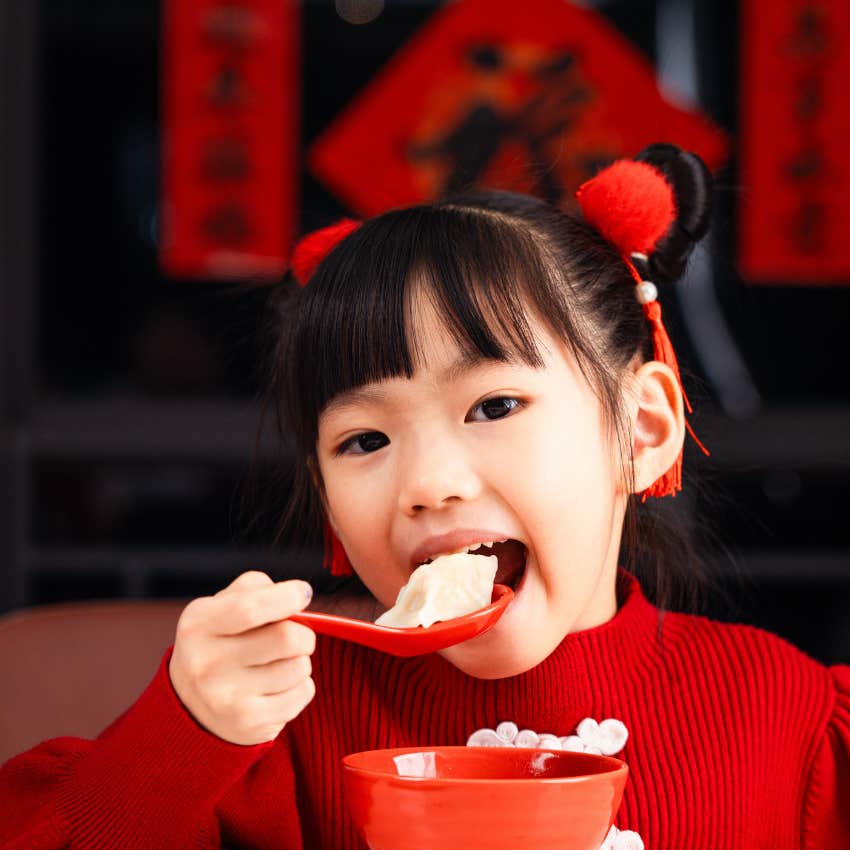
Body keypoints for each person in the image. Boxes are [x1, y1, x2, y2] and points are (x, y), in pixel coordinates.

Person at [1, 144, 847, 850]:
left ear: (645, 428)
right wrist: (182, 734)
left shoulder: (788, 717)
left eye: (494, 406)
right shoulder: (280, 730)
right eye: (364, 440)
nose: (428, 485)